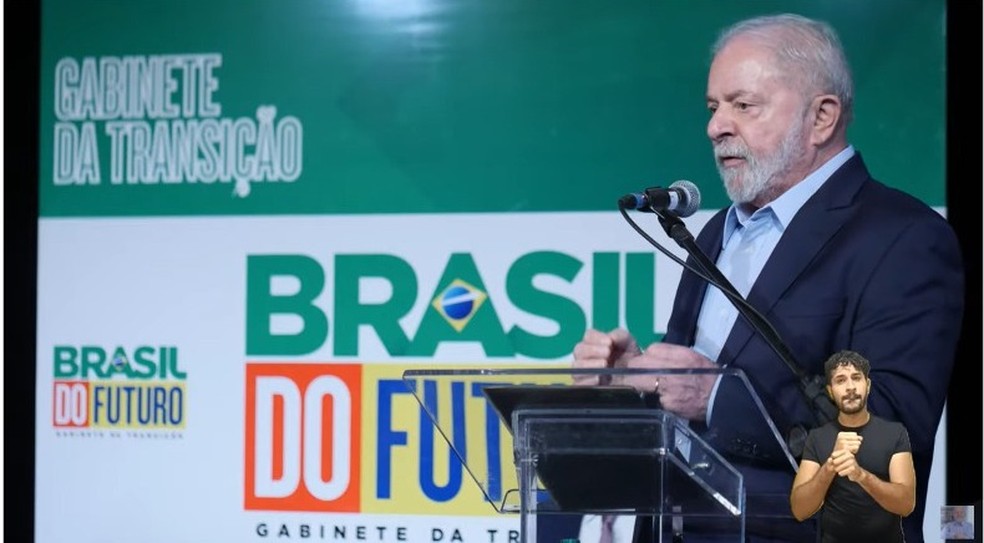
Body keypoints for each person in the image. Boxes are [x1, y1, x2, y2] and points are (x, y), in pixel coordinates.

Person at [563, 11, 965, 543]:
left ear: (822, 117)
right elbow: (688, 411)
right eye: (713, 107)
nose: (715, 126)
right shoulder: (713, 234)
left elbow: (891, 436)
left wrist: (711, 398)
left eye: (742, 105)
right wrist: (631, 381)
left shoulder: (904, 238)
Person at [789, 350, 916, 542]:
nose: (850, 387)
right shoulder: (817, 438)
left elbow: (906, 504)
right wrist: (831, 466)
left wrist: (861, 476)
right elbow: (800, 510)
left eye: (856, 378)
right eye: (841, 380)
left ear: (868, 385)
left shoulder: (894, 433)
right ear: (830, 390)